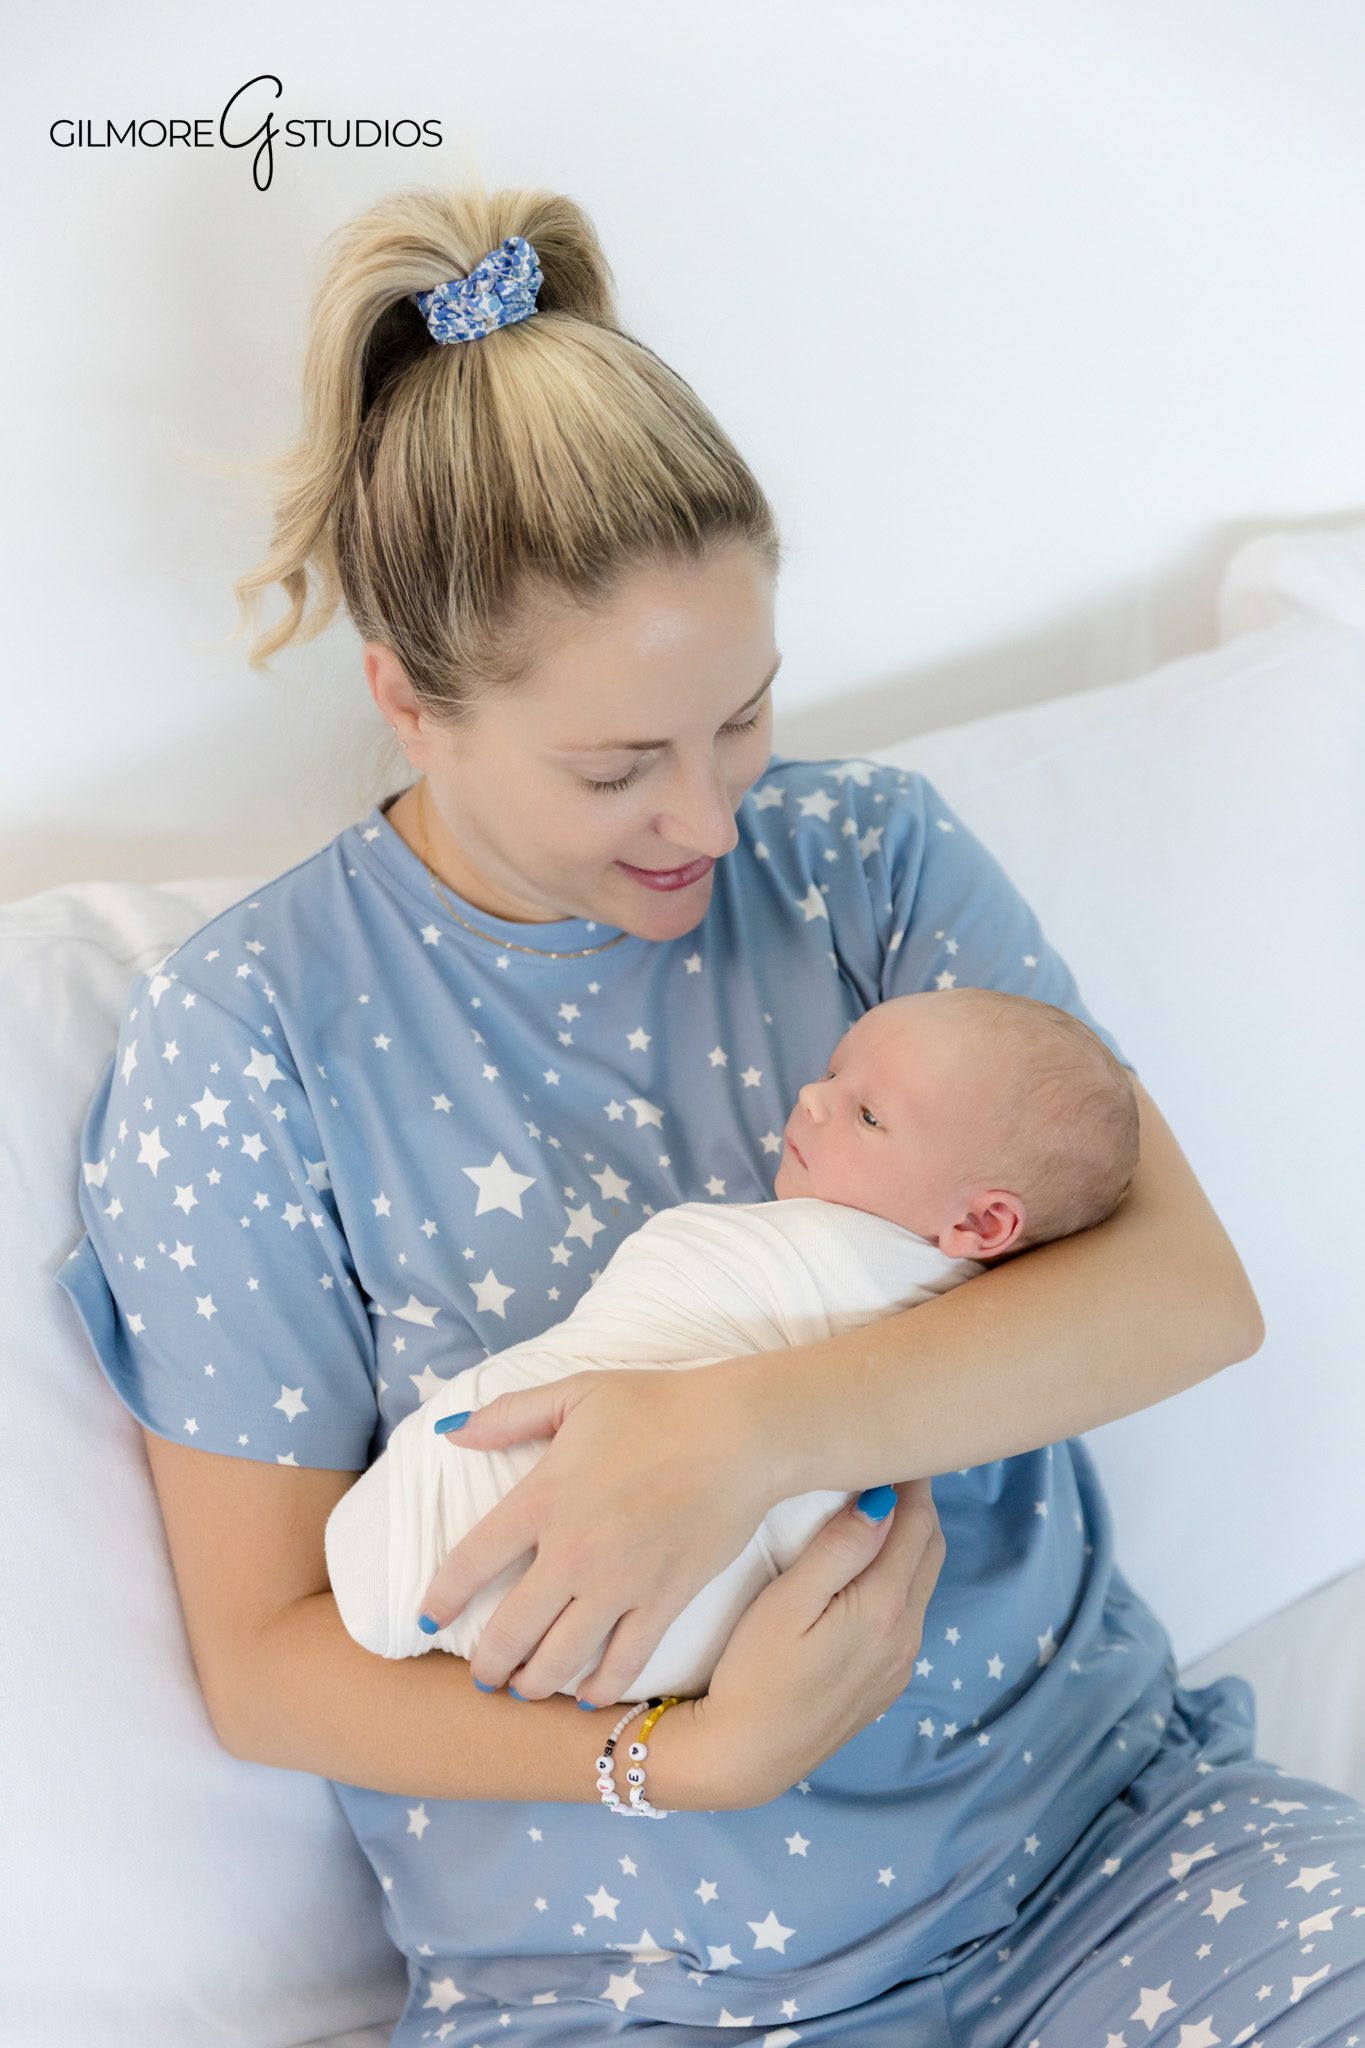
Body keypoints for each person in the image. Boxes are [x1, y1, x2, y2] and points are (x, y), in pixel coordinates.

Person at [55, 182, 1365, 2044]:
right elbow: (267, 1663)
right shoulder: (244, 1048)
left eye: (742, 716)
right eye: (616, 766)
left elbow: (1184, 1296)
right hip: (642, 1993)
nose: (711, 816)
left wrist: (739, 1434)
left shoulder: (866, 865)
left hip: (1111, 1858)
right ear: (407, 701)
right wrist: (679, 1756)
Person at [323, 985, 1143, 1690]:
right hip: (658, 1653)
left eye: (866, 1115)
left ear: (981, 1224)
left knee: (487, 1451)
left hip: (705, 1614)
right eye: (832, 1073)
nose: (811, 1098)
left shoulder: (950, 1316)